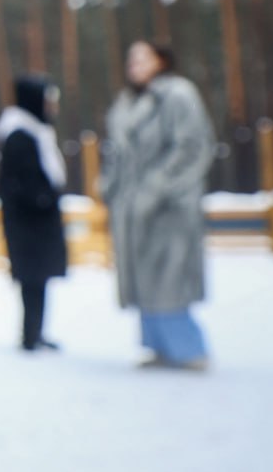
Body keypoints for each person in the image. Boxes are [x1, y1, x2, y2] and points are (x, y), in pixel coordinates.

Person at [101, 41, 215, 371]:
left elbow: (192, 146)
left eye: (142, 58)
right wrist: (111, 186)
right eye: (130, 58)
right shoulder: (127, 102)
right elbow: (118, 154)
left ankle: (188, 348)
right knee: (146, 279)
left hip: (169, 207)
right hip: (132, 207)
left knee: (169, 279)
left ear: (161, 60)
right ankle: (157, 345)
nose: (134, 64)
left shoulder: (178, 95)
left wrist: (156, 187)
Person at [0, 75, 68, 352]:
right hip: (29, 224)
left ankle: (36, 332)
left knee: (38, 280)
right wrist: (43, 199)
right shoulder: (20, 135)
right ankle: (30, 335)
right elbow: (18, 183)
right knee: (32, 279)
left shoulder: (36, 132)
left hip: (36, 222)